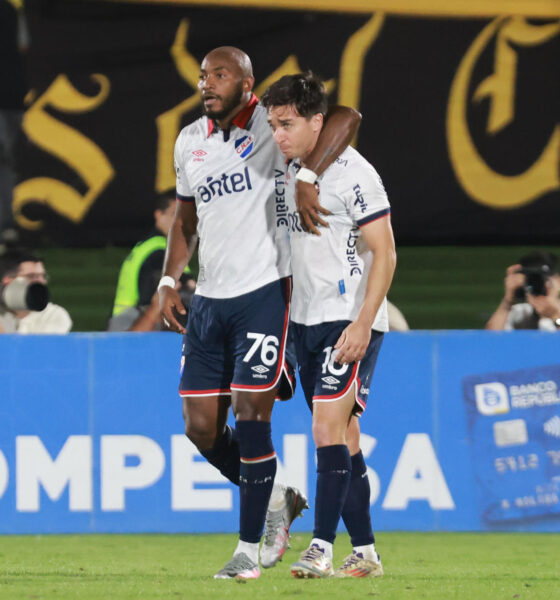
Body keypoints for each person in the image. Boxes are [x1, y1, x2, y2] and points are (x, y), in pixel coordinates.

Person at [158, 47, 361, 580]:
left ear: (247, 83)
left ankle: (248, 552)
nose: (208, 83)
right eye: (203, 75)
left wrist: (308, 174)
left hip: (264, 292)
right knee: (200, 428)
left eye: (220, 74)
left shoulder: (274, 128)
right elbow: (185, 220)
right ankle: (278, 497)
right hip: (209, 299)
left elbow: (346, 118)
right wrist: (167, 278)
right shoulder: (188, 142)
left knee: (252, 414)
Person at [262, 72, 396, 578]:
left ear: (318, 122)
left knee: (325, 427)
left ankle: (320, 546)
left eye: (288, 124)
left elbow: (386, 254)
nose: (278, 135)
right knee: (346, 435)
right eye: (274, 125)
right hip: (304, 321)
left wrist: (363, 323)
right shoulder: (289, 166)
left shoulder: (355, 174)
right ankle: (366, 552)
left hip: (349, 319)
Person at [108, 194, 195, 332]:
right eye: (175, 214)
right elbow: (179, 286)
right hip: (133, 324)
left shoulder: (146, 246)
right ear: (159, 215)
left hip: (122, 325)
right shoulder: (159, 249)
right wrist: (189, 283)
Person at [0, 0, 28, 245]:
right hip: (13, 98)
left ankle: (6, 226)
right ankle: (6, 226)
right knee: (5, 165)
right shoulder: (11, 10)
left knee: (4, 164)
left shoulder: (10, 10)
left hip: (9, 99)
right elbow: (23, 46)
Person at [0, 249, 72, 333]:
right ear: (8, 281)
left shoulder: (53, 315)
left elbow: (38, 345)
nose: (42, 281)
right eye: (32, 276)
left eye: (42, 276)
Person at [485, 250, 560, 332]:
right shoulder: (521, 313)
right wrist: (507, 302)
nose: (545, 286)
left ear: (558, 280)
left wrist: (555, 317)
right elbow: (490, 340)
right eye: (536, 281)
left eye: (547, 280)